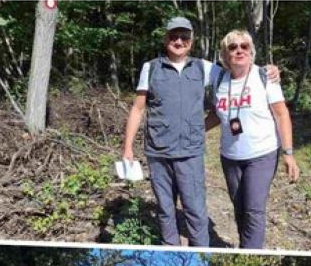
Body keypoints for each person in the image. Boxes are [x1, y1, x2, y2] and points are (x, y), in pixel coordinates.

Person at [121, 18, 212, 247]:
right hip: (158, 152)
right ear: (166, 39)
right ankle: (169, 247)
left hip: (190, 153)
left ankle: (199, 250)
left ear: (191, 40)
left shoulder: (204, 67)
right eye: (174, 36)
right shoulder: (151, 68)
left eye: (184, 37)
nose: (179, 41)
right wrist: (128, 147)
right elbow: (138, 108)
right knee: (165, 208)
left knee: (195, 210)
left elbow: (239, 73)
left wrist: (268, 71)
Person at [207, 30, 299, 249]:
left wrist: (289, 154)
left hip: (262, 154)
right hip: (230, 156)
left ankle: (251, 253)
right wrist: (192, 131)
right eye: (233, 47)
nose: (239, 50)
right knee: (239, 207)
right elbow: (216, 116)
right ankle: (244, 246)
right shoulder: (220, 79)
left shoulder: (264, 77)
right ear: (225, 54)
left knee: (253, 209)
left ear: (251, 51)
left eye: (244, 46)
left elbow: (281, 114)